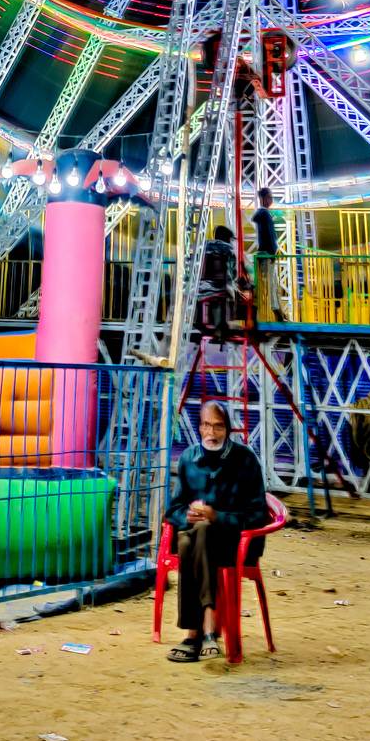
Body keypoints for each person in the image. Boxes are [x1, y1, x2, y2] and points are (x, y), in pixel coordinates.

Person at [165, 401, 269, 662]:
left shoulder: (245, 460)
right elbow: (173, 509)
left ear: (228, 429)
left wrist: (217, 516)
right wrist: (186, 515)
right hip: (198, 542)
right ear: (199, 427)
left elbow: (258, 515)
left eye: (218, 426)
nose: (211, 433)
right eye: (206, 425)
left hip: (236, 543)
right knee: (195, 534)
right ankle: (208, 629)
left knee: (194, 537)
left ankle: (193, 633)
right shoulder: (188, 458)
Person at [195, 225, 237, 341]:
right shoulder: (228, 249)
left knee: (205, 297)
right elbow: (232, 272)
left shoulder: (204, 246)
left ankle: (199, 323)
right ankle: (221, 327)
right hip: (218, 286)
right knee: (228, 295)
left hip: (201, 286)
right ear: (227, 238)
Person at [251, 187, 284, 320]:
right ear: (263, 198)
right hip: (267, 254)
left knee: (269, 283)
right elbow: (270, 236)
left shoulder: (262, 214)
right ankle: (276, 312)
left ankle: (277, 311)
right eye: (270, 197)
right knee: (271, 284)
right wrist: (273, 253)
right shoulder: (265, 215)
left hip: (264, 254)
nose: (271, 200)